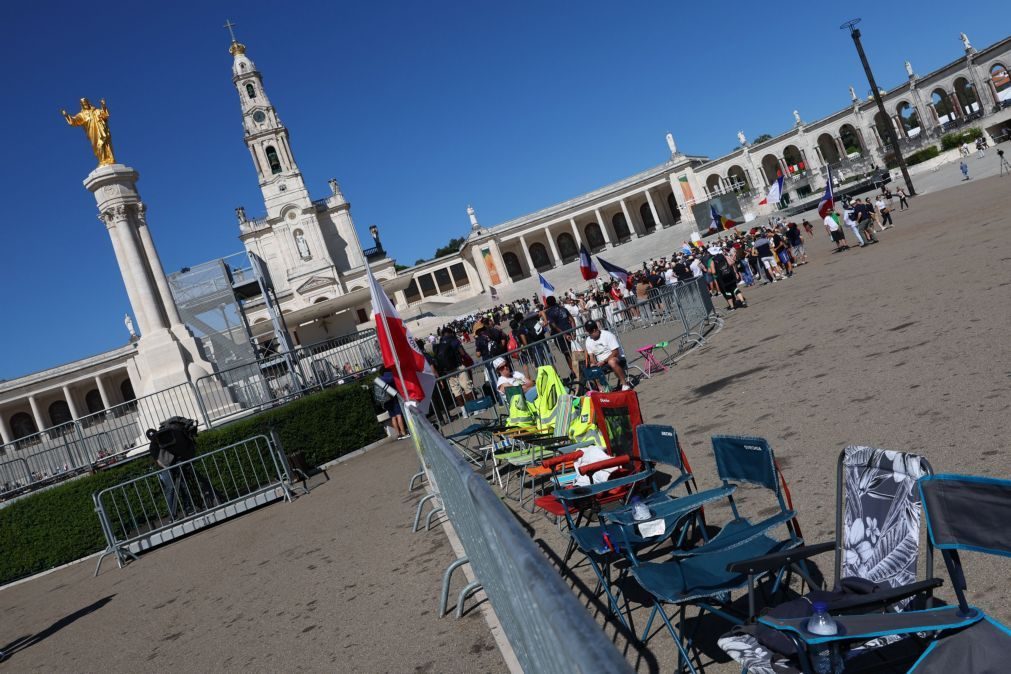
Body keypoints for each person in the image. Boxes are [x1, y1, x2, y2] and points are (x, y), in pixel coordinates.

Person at [583, 320, 631, 390]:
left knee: (611, 362)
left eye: (590, 333)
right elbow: (591, 356)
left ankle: (625, 384)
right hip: (601, 362)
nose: (590, 335)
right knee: (592, 368)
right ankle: (602, 389)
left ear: (595, 330)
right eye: (589, 333)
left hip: (617, 358)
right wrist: (594, 363)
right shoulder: (588, 340)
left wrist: (604, 361)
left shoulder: (608, 335)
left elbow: (615, 352)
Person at [434, 327, 473, 408]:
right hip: (458, 367)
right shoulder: (454, 340)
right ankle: (473, 407)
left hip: (448, 370)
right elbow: (462, 353)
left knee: (456, 391)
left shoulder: (440, 344)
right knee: (467, 387)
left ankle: (464, 411)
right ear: (450, 333)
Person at [541, 295, 575, 376]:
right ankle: (576, 370)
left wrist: (564, 334)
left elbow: (554, 326)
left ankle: (574, 371)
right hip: (569, 332)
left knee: (567, 353)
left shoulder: (548, 313)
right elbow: (572, 320)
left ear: (548, 304)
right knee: (573, 352)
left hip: (560, 335)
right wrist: (574, 332)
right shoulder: (563, 308)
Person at [378, 367, 408, 439]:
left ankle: (398, 434)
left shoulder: (380, 378)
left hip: (386, 400)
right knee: (399, 415)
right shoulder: (390, 375)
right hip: (394, 398)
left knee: (393, 417)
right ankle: (403, 433)